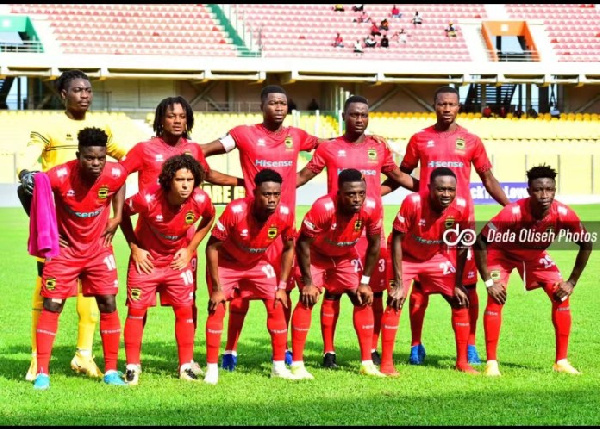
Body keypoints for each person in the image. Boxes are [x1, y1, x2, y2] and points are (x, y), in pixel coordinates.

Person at [198, 85, 331, 372]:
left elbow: (330, 146)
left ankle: (280, 355)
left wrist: (303, 177)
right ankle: (230, 349)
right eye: (273, 103)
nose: (279, 107)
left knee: (282, 293)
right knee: (238, 300)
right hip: (249, 227)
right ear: (262, 106)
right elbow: (205, 151)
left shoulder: (296, 136)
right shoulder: (244, 134)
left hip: (282, 231)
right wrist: (238, 183)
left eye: (283, 103)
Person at [384, 85, 510, 366]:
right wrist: (380, 191)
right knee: (418, 288)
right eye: (442, 103)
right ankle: (416, 344)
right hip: (425, 224)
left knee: (467, 287)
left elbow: (488, 179)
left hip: (459, 225)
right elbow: (402, 175)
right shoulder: (419, 139)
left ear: (458, 107)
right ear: (435, 105)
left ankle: (471, 346)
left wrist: (511, 207)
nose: (447, 108)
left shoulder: (472, 140)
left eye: (451, 104)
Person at [17, 69, 128, 382]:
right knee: (46, 291)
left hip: (91, 223)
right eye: (78, 90)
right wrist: (26, 171)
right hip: (55, 222)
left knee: (92, 296)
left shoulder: (100, 129)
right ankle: (37, 360)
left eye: (89, 90)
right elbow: (29, 156)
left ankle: (84, 354)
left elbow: (124, 160)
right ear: (63, 94)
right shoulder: (49, 126)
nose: (85, 95)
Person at [119, 96, 240, 375]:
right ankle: (133, 363)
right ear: (160, 119)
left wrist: (246, 183)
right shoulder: (144, 150)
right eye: (172, 116)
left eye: (183, 116)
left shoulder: (194, 150)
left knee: (187, 304)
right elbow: (118, 177)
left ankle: (186, 360)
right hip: (149, 242)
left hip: (182, 247)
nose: (177, 121)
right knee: (139, 306)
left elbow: (209, 177)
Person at [296, 95, 418, 369]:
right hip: (335, 231)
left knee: (371, 292)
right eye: (354, 115)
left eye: (364, 115)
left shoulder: (379, 149)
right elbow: (305, 175)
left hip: (370, 231)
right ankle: (329, 351)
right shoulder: (329, 148)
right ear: (344, 116)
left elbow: (398, 177)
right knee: (333, 293)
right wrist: (278, 189)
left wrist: (427, 189)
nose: (359, 120)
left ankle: (371, 349)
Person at [474, 165, 593, 376]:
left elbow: (586, 243)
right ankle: (491, 363)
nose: (544, 195)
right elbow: (481, 241)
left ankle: (561, 361)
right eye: (539, 189)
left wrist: (572, 281)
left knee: (562, 296)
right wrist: (489, 282)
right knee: (496, 297)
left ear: (555, 190)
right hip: (501, 254)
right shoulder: (513, 212)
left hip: (535, 256)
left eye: (549, 189)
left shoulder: (563, 213)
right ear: (529, 191)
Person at [119, 155, 215, 385]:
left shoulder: (201, 199)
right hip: (147, 262)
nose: (185, 185)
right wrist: (134, 247)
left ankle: (185, 366)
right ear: (168, 181)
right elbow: (121, 213)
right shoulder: (148, 198)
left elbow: (209, 218)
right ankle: (132, 366)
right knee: (136, 310)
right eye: (180, 179)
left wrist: (191, 248)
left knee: (184, 310)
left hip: (176, 263)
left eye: (190, 180)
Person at [204, 169, 297, 385]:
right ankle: (211, 369)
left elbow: (289, 247)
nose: (272, 199)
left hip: (257, 264)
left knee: (277, 303)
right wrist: (217, 288)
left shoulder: (284, 213)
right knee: (217, 308)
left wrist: (282, 285)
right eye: (266, 194)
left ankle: (278, 366)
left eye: (276, 194)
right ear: (255, 192)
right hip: (227, 265)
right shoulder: (235, 211)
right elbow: (211, 247)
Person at [291, 169, 385, 379]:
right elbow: (303, 243)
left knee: (362, 298)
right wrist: (308, 282)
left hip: (344, 255)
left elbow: (375, 244)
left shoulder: (371, 207)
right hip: (315, 255)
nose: (357, 198)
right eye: (351, 194)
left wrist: (366, 282)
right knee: (308, 299)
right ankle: (297, 364)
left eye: (361, 193)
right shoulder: (323, 207)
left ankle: (367, 363)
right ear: (339, 193)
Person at [384, 167, 478, 375]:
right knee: (395, 300)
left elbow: (463, 244)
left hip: (435, 256)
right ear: (429, 189)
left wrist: (458, 282)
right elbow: (397, 241)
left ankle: (462, 362)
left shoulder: (461, 207)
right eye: (441, 189)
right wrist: (399, 283)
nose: (446, 194)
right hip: (405, 257)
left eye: (451, 190)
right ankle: (387, 364)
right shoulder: (413, 202)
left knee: (459, 299)